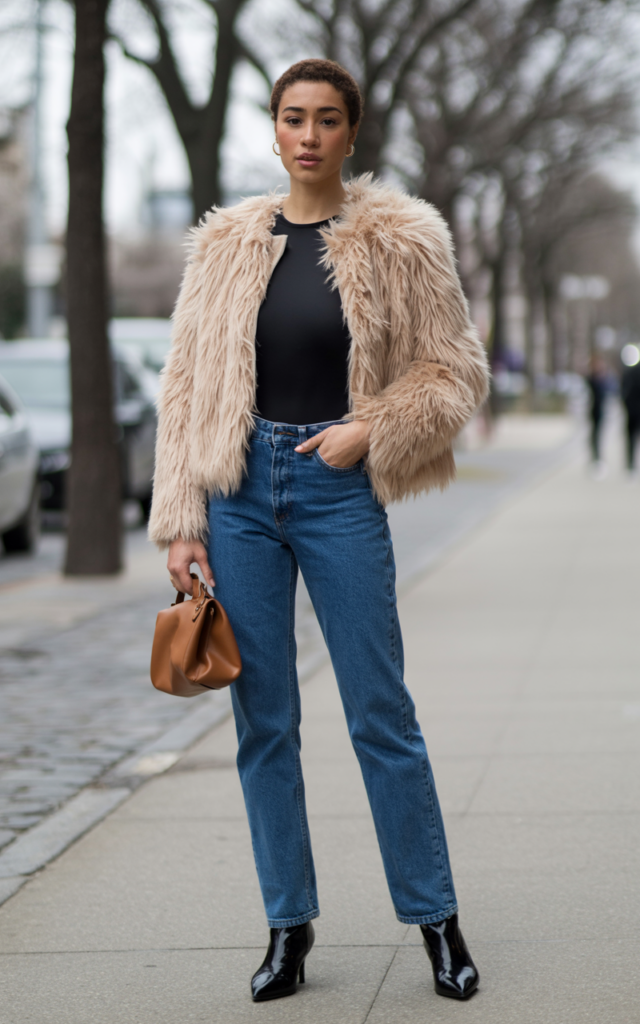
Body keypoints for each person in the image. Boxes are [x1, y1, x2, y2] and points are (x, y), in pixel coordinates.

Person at [149, 58, 489, 1004]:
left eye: (326, 119)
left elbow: (454, 373)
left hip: (338, 489)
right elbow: (185, 391)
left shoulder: (402, 238)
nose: (308, 135)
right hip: (239, 491)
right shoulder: (224, 244)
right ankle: (288, 928)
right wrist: (181, 519)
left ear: (351, 133)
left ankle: (436, 922)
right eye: (292, 118)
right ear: (272, 129)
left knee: (381, 713)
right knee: (265, 721)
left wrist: (373, 428)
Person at [585, 354, 608, 467]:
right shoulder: (592, 380)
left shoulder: (599, 379)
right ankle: (595, 457)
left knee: (598, 434)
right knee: (595, 434)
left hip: (599, 410)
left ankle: (597, 456)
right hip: (595, 410)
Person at [621, 355, 640, 472]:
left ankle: (630, 464)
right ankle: (630, 464)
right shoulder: (630, 372)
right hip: (633, 410)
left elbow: (623, 392)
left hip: (631, 411)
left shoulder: (628, 372)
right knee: (631, 437)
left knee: (630, 438)